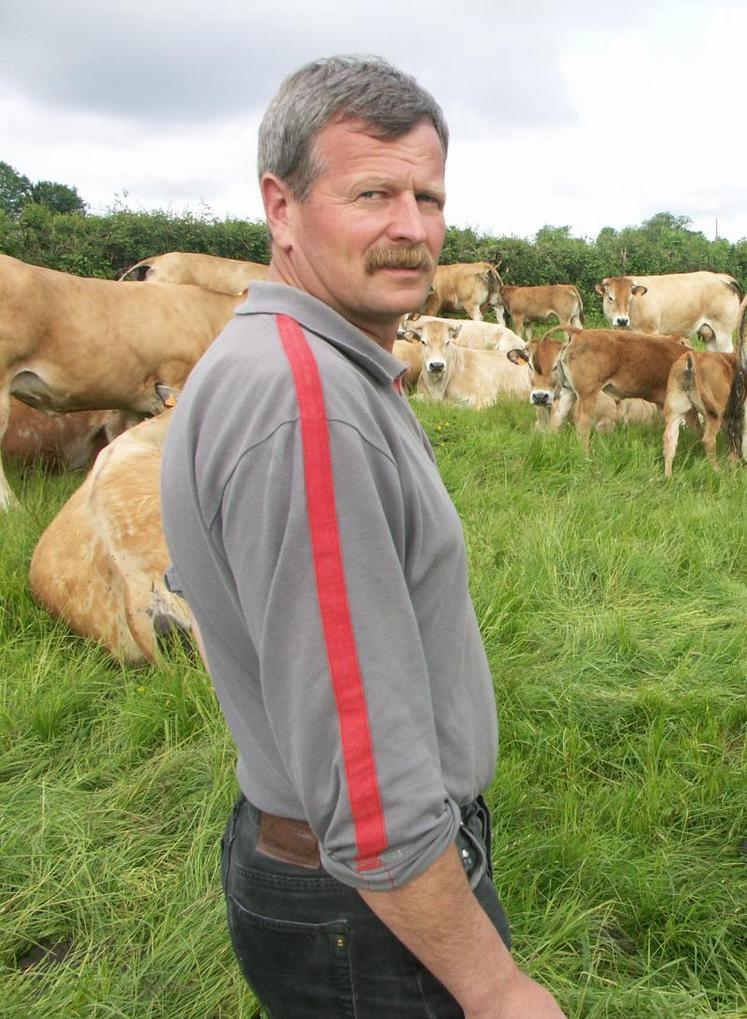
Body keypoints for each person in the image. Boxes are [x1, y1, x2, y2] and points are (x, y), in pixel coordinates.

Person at [160, 55, 566, 1019]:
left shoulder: (293, 361)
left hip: (324, 872)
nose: (412, 228)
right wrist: (494, 984)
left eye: (427, 196)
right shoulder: (307, 408)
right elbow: (368, 787)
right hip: (371, 911)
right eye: (371, 192)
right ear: (281, 205)